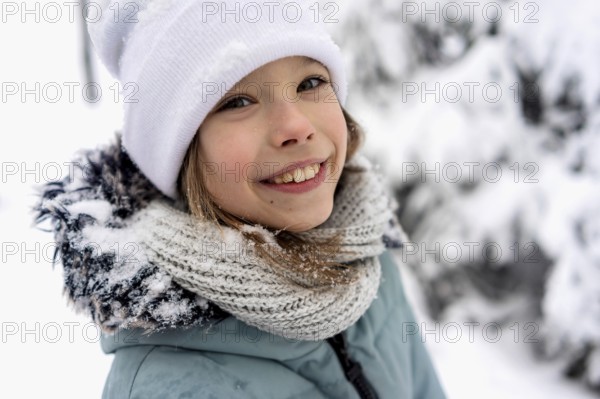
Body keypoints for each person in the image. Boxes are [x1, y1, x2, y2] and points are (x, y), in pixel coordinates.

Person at [35, 1, 446, 398]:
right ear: (179, 155)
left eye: (310, 83)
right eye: (238, 101)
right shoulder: (170, 385)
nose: (296, 126)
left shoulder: (364, 249)